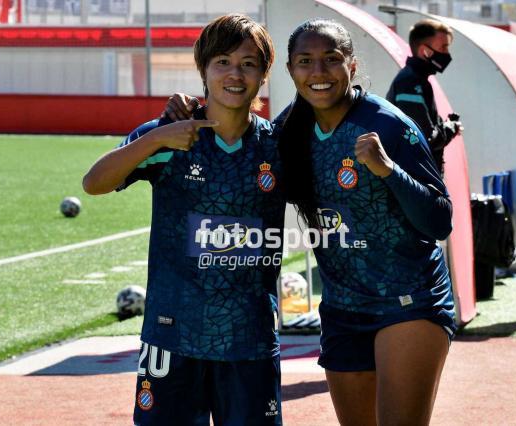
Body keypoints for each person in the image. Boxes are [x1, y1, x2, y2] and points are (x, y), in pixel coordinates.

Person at [164, 18, 457, 425]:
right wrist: (186, 112)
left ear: (351, 66)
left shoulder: (387, 124)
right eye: (305, 61)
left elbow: (440, 221)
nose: (318, 72)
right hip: (342, 309)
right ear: (290, 69)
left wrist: (388, 170)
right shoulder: (289, 129)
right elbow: (236, 149)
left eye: (331, 59)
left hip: (408, 302)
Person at [83, 14, 285, 425]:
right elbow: (94, 183)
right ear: (203, 70)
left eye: (248, 64)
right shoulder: (168, 134)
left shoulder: (278, 146)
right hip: (171, 334)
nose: (234, 74)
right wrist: (157, 137)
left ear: (264, 75)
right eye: (222, 62)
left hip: (249, 338)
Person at [385, 19, 462, 175]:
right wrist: (451, 128)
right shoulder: (410, 82)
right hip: (416, 178)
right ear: (424, 51)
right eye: (443, 47)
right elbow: (425, 138)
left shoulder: (418, 79)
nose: (447, 54)